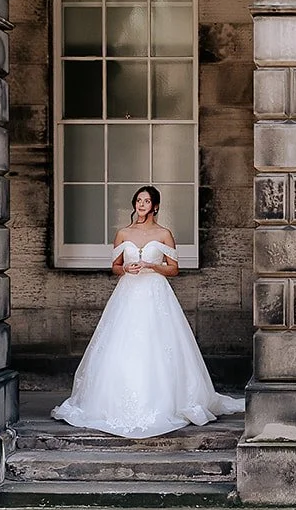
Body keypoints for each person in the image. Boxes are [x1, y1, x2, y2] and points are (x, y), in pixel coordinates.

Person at [52, 184, 244, 439]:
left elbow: (174, 268)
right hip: (128, 292)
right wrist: (126, 269)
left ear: (155, 206)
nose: (141, 205)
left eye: (146, 201)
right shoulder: (123, 233)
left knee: (158, 342)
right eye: (138, 200)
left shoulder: (164, 233)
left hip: (155, 292)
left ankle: (166, 401)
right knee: (122, 344)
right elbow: (115, 266)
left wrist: (152, 266)